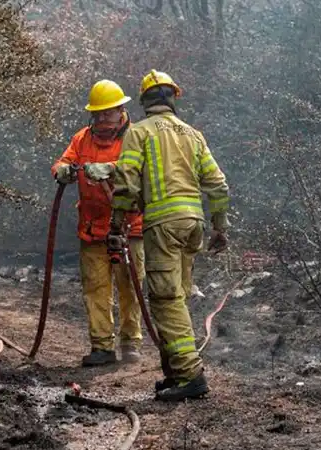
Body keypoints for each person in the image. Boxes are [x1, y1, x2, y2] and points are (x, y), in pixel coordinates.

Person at [108, 70, 230, 401]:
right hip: (193, 225)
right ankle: (175, 371)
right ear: (173, 98)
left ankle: (190, 375)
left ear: (145, 101)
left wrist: (116, 225)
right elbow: (218, 185)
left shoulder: (139, 132)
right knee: (176, 296)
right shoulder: (193, 135)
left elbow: (126, 182)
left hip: (163, 227)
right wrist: (220, 227)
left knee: (166, 300)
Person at [51, 79, 146, 367]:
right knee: (96, 289)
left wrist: (111, 169)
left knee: (131, 288)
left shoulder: (136, 137)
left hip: (129, 227)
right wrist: (62, 171)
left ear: (121, 110)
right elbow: (62, 162)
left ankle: (130, 343)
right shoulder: (82, 138)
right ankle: (102, 347)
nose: (103, 118)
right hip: (93, 229)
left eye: (108, 112)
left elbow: (142, 170)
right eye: (98, 113)